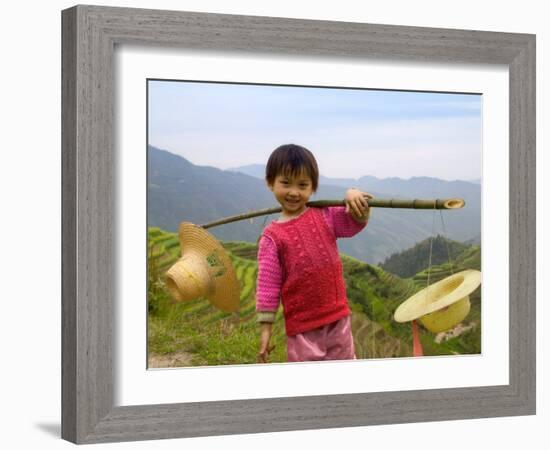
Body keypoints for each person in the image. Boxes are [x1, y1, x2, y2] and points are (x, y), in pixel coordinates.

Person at [256, 143, 372, 363]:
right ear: (270, 182)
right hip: (302, 328)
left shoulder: (324, 216)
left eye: (302, 185)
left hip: (338, 318)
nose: (293, 192)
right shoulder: (272, 237)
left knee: (346, 375)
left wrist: (354, 195)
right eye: (285, 183)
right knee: (308, 382)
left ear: (313, 188)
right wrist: (266, 330)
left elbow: (354, 222)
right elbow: (267, 288)